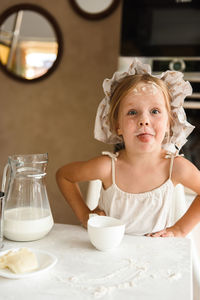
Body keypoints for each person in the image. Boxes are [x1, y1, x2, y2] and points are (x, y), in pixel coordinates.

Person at [56, 58, 200, 239]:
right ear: (118, 125)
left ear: (169, 123)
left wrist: (180, 229)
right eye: (132, 112)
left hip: (154, 258)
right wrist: (84, 215)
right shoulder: (107, 167)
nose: (144, 120)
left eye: (155, 111)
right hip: (110, 257)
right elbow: (64, 175)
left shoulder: (176, 168)